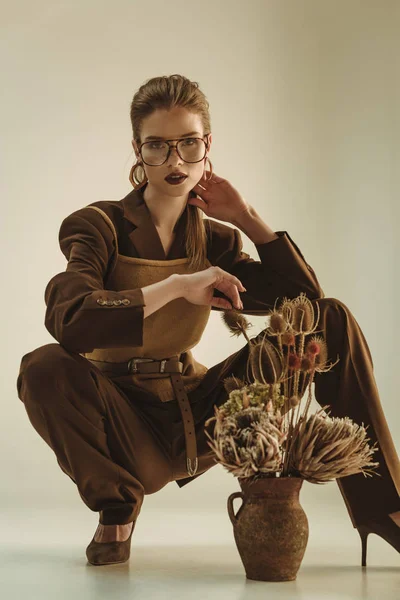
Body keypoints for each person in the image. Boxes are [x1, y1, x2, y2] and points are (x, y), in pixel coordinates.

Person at [17, 74, 400, 567]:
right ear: (137, 149)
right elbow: (70, 319)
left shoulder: (215, 239)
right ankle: (117, 504)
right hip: (121, 421)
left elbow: (306, 303)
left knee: (331, 318)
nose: (175, 161)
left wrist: (247, 217)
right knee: (43, 366)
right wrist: (176, 287)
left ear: (207, 145)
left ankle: (382, 508)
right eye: (157, 146)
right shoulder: (98, 226)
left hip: (200, 414)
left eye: (188, 143)